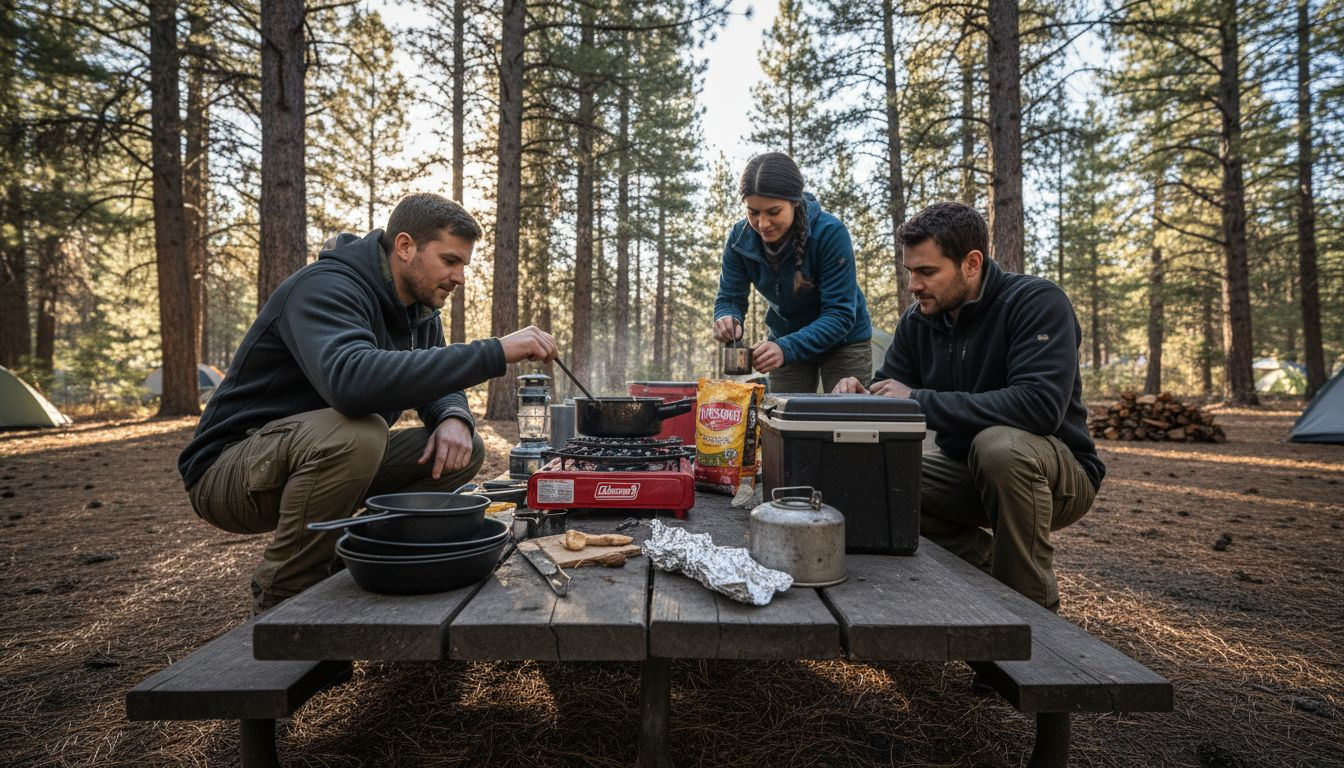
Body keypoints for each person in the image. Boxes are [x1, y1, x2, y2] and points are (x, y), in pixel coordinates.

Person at [178, 193, 557, 613]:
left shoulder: (419, 312)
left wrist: (452, 416)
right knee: (357, 430)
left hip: (308, 458)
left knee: (462, 450)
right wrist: (495, 351)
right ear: (405, 246)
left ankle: (358, 554)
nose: (460, 277)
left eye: (465, 264)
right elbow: (350, 383)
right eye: (450, 261)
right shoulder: (326, 287)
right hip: (229, 472)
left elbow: (435, 380)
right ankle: (285, 597)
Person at [834, 201, 1104, 611]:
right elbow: (892, 393)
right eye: (910, 271)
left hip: (1054, 478)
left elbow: (1040, 406)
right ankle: (996, 565)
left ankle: (1033, 624)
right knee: (867, 476)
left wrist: (918, 400)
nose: (914, 285)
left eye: (927, 272)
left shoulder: (1035, 303)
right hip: (965, 474)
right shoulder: (917, 322)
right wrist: (860, 397)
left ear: (972, 263)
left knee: (999, 447)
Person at [711, 152, 872, 393]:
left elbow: (840, 314)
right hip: (785, 340)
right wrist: (727, 316)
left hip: (844, 342)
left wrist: (786, 348)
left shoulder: (830, 234)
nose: (763, 223)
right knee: (784, 419)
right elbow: (730, 296)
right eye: (753, 212)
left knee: (845, 419)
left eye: (773, 212)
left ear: (795, 201)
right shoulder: (740, 239)